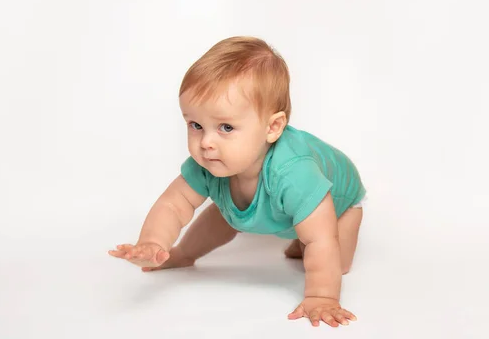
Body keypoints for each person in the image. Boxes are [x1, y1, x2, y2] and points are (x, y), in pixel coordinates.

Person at [108, 36, 366, 328]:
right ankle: (184, 254)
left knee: (331, 256)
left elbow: (322, 239)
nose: (206, 142)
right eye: (195, 125)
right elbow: (173, 204)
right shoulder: (213, 162)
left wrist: (322, 297)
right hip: (282, 201)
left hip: (339, 202)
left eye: (226, 127)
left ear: (273, 127)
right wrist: (152, 242)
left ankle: (298, 234)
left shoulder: (294, 173)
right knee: (225, 211)